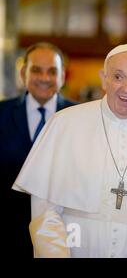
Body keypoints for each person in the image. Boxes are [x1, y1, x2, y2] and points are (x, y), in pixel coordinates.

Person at [13, 44, 127, 258]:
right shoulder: (65, 124)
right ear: (103, 78)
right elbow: (45, 215)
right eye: (118, 77)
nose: (126, 88)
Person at [0, 42, 76, 258]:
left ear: (62, 76)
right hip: (8, 232)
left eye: (52, 71)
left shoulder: (78, 118)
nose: (44, 78)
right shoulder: (2, 114)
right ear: (23, 73)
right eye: (36, 70)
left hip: (61, 235)